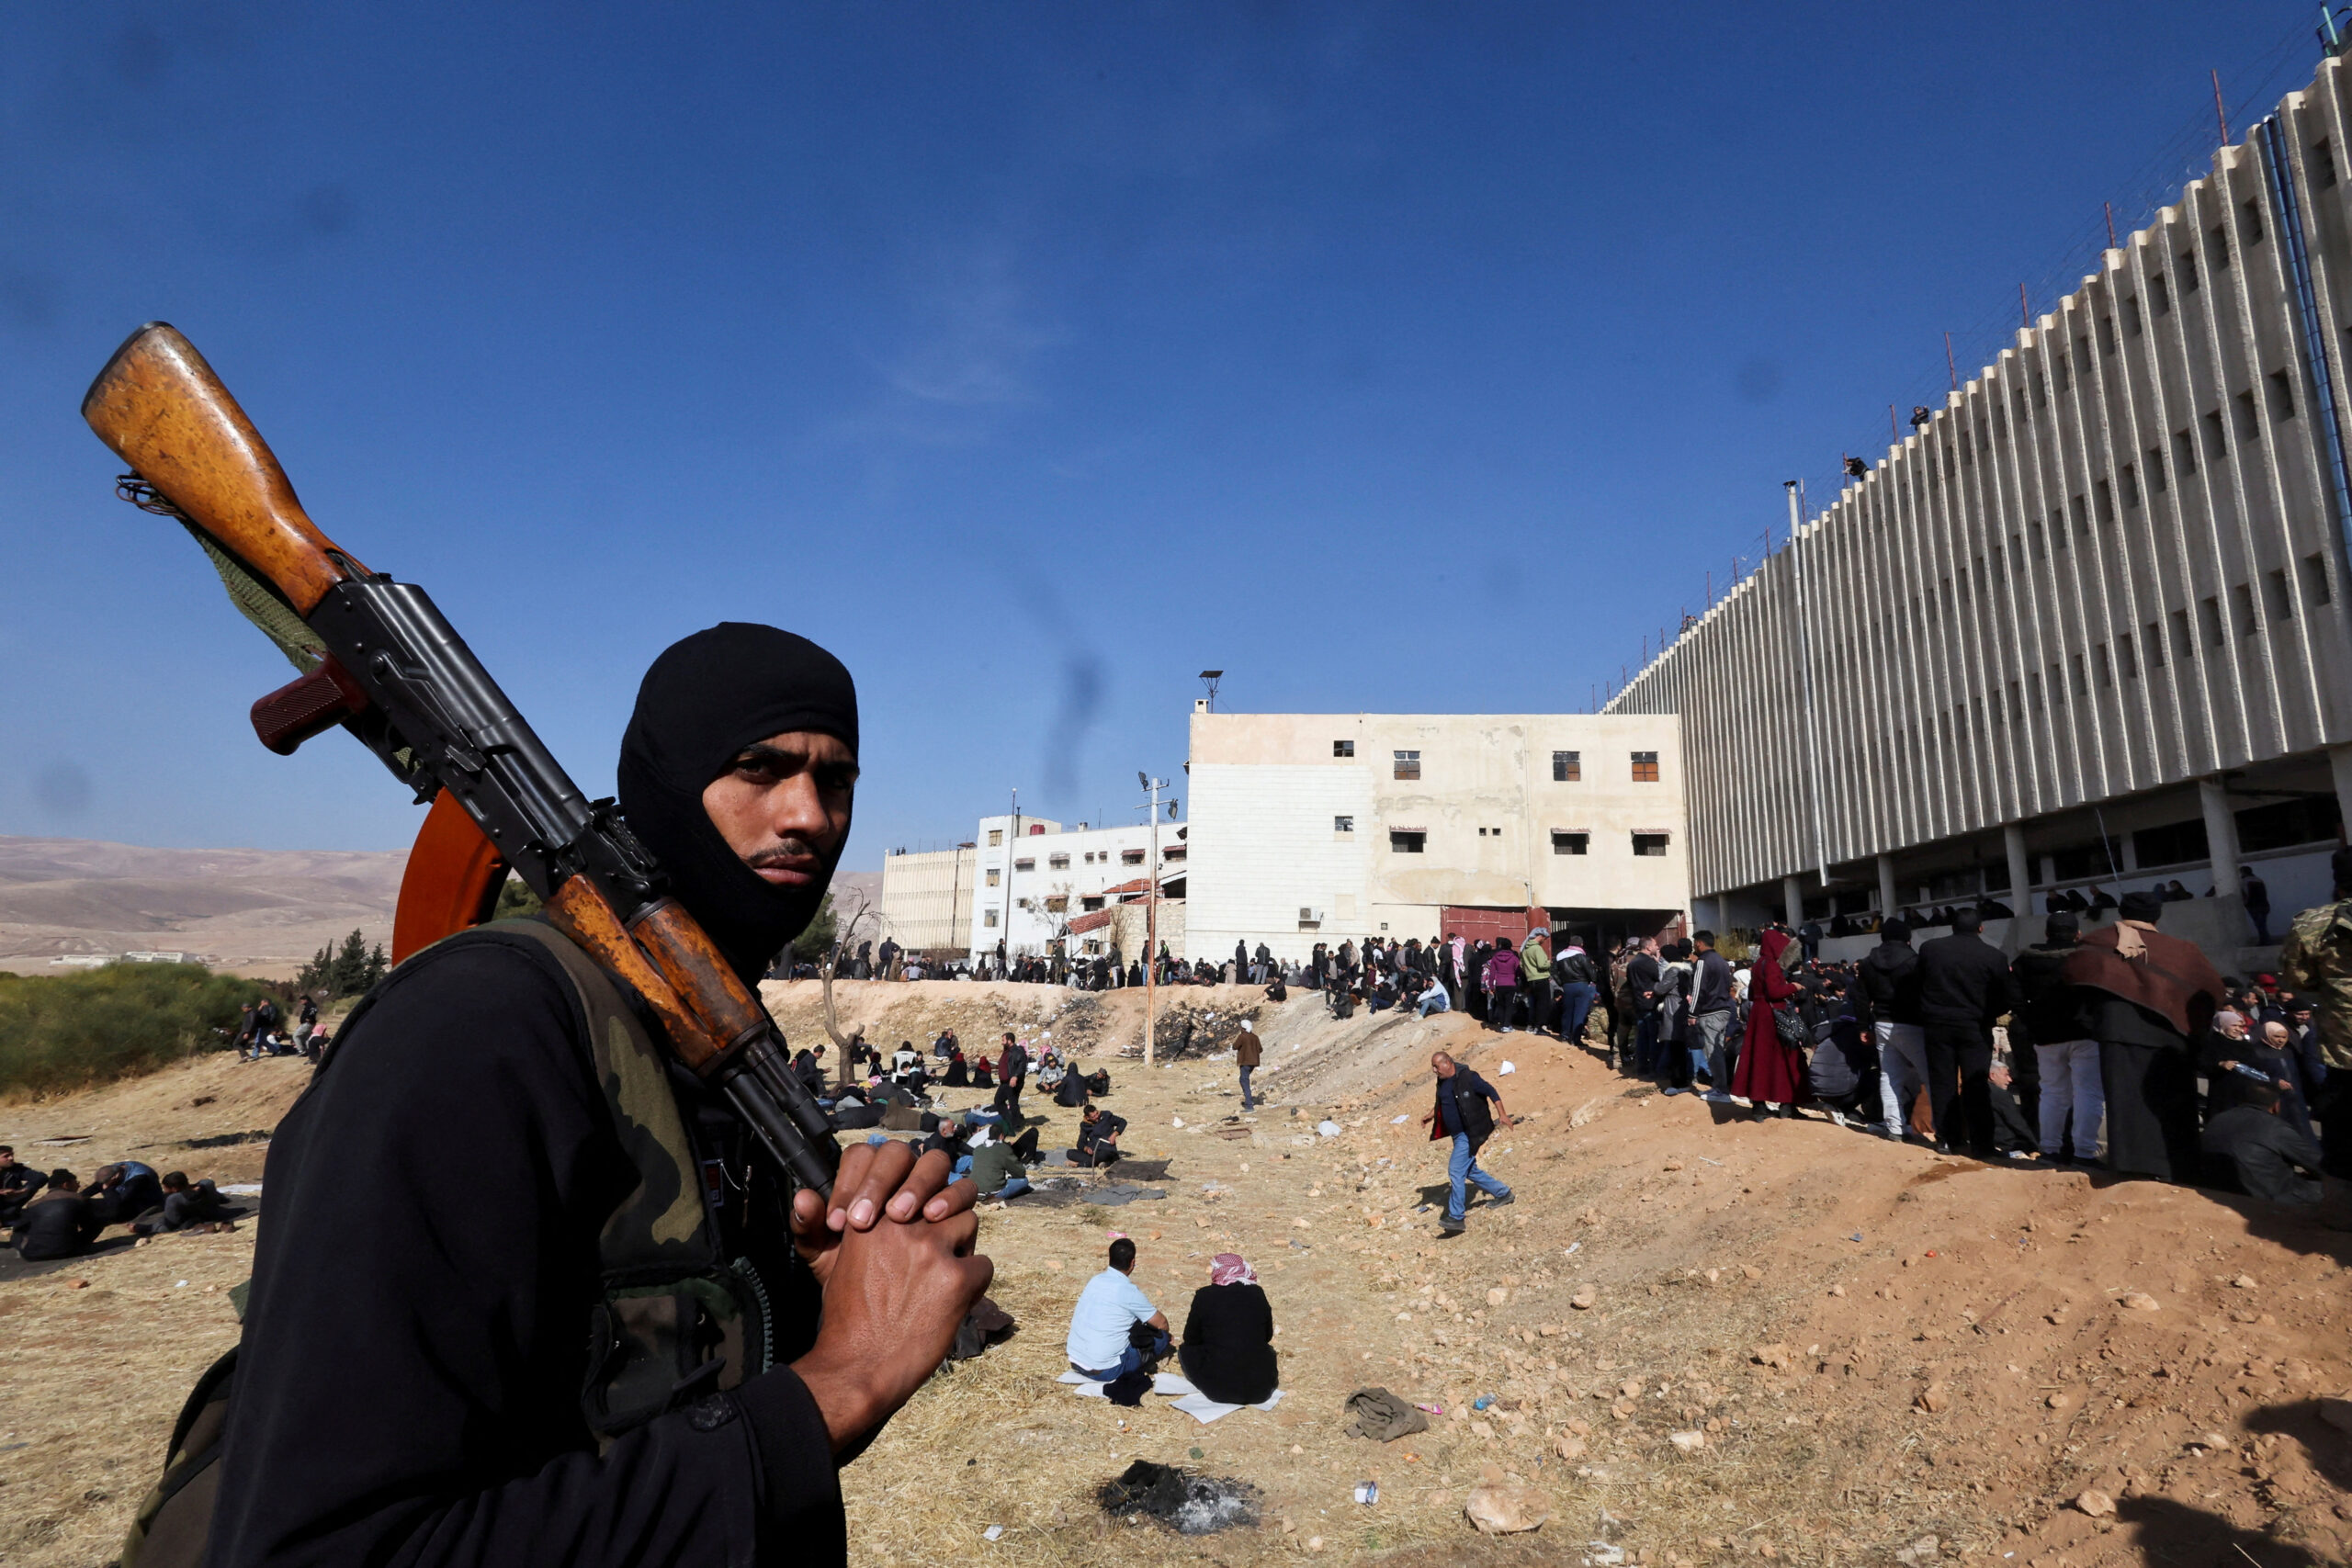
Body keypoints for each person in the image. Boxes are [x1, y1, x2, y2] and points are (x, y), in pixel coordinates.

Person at [198, 623, 989, 1567]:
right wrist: (842, 1381)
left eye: (834, 781)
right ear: (666, 777)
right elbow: (323, 1547)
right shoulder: (477, 1029)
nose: (808, 815)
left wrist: (819, 1290)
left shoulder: (713, 1036)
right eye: (757, 768)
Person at [2063, 889, 2222, 1184]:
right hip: (2171, 1035)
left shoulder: (2098, 941)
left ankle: (2131, 1165)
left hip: (2117, 1032)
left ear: (2121, 912)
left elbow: (2075, 982)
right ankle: (2177, 1165)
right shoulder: (2182, 950)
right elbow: (2210, 990)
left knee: (2125, 1101)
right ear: (2157, 916)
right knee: (2173, 1101)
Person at [1914, 907, 2018, 1156]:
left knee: (1942, 1083)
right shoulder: (1993, 956)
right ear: (1980, 928)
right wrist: (1987, 1013)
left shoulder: (1931, 949)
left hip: (1937, 1024)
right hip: (1975, 1025)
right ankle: (1982, 1143)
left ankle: (1947, 1139)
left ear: (1952, 926)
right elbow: (2006, 997)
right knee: (1975, 1084)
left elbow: (1918, 984)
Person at [2012, 911, 2101, 1164]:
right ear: (2078, 934)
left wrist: (2033, 1021)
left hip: (2046, 1036)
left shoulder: (2026, 960)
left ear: (2046, 933)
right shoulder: (2088, 959)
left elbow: (2015, 998)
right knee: (2088, 1093)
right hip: (2085, 1034)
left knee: (2051, 1093)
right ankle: (2084, 1152)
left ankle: (2050, 1149)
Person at [1420, 1051, 1512, 1235]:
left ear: (1448, 1063)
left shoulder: (1469, 1078)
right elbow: (1442, 1100)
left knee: (1455, 1170)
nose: (1434, 1070)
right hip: (1457, 1135)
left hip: (1469, 1133)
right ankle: (1503, 1193)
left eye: (1436, 1066)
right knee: (1470, 1170)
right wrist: (1431, 1115)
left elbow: (1491, 1091)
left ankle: (1456, 1217)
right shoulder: (1443, 1081)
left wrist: (1502, 1114)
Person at [2200, 1079, 2327, 1205]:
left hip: (2216, 1188)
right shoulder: (2277, 1128)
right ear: (2276, 1106)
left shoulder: (2218, 1119)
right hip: (2266, 1196)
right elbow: (2318, 1165)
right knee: (2328, 1187)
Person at [1177, 1253, 1278, 1406]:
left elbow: (1191, 1338)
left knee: (1186, 1350)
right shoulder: (1257, 1293)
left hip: (1217, 1390)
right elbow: (1267, 1336)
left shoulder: (1204, 1296)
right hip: (1260, 1390)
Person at [1859, 918, 1928, 1140]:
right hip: (1912, 1023)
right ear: (1907, 937)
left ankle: (1895, 1128)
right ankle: (1940, 1129)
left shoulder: (1868, 962)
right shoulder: (1914, 961)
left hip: (1881, 1023)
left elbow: (1860, 998)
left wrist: (1863, 1026)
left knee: (1889, 1076)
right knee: (1929, 1076)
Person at [1067, 1236, 1170, 1382]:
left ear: (1110, 1258)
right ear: (1132, 1263)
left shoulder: (1095, 1280)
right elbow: (1162, 1324)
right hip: (1105, 1370)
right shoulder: (1128, 1291)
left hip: (1076, 1360)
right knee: (1161, 1338)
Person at [1732, 929, 1804, 1120]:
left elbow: (1755, 990)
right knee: (1784, 1059)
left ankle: (1759, 1105)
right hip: (1774, 1015)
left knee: (1760, 1060)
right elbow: (1774, 992)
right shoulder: (1771, 965)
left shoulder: (1758, 965)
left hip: (1759, 1015)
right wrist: (1793, 987)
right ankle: (1787, 1104)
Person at [1688, 931, 1737, 1099]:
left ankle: (1720, 1089)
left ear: (1700, 943)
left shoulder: (1703, 961)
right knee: (1718, 1049)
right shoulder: (1721, 961)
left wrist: (1692, 1012)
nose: (1694, 946)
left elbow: (1698, 989)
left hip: (1710, 1012)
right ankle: (1720, 1086)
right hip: (1724, 1009)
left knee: (1712, 1051)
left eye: (1695, 942)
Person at [12, 1170, 99, 1260]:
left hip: (32, 1255)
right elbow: (89, 1223)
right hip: (67, 1251)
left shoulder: (33, 1204)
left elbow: (19, 1228)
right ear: (66, 1185)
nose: (78, 1186)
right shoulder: (77, 1199)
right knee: (99, 1219)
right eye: (76, 1183)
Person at [136, 1170, 235, 1235]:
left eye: (166, 1188)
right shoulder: (207, 1185)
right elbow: (220, 1198)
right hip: (216, 1213)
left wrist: (145, 1228)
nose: (164, 1191)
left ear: (174, 1189)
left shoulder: (173, 1199)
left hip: (196, 1219)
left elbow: (170, 1224)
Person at [85, 1161, 164, 1228]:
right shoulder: (116, 1169)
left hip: (142, 1203)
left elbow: (120, 1203)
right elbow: (98, 1185)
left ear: (116, 1177)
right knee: (87, 1204)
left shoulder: (139, 1178)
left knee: (111, 1214)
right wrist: (80, 1197)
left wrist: (108, 1189)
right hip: (123, 1197)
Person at [1555, 938, 1599, 1046]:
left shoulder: (1559, 956)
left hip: (1567, 986)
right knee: (1580, 1013)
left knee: (1567, 1011)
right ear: (1581, 944)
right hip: (1582, 985)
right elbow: (1592, 974)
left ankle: (1565, 1036)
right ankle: (1576, 1039)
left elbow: (1553, 972)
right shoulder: (1582, 957)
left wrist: (1561, 983)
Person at [1518, 928, 1555, 1038]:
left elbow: (1522, 966)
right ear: (1539, 936)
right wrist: (1549, 962)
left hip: (1531, 980)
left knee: (1533, 1004)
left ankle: (1532, 1025)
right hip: (1541, 979)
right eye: (1544, 937)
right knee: (1543, 1004)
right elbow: (1542, 965)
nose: (1544, 940)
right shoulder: (1537, 949)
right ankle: (1539, 1027)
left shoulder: (1525, 949)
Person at [0, 1145, 47, 1225]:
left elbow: (41, 1177)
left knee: (33, 1185)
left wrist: (21, 1192)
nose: (11, 1158)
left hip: (10, 1205)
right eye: (6, 1156)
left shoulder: (15, 1169)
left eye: (12, 1155)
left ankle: (9, 1217)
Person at [1073, 1104, 1126, 1168]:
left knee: (1102, 1155)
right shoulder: (1085, 1125)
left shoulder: (1106, 1117)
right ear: (1088, 1118)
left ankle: (1081, 1164)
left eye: (1097, 1114)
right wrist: (1086, 1149)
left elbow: (1123, 1122)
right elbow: (1080, 1142)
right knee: (1070, 1153)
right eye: (1093, 1116)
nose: (1097, 1117)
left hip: (1107, 1149)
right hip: (1094, 1151)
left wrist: (1114, 1134)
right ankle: (1106, 1162)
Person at [991, 1031, 1028, 1122]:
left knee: (1013, 1103)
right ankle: (1010, 1118)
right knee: (998, 1101)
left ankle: (1016, 1124)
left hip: (1012, 1081)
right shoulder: (1007, 1051)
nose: (1002, 1042)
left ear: (1009, 1041)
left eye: (1003, 1040)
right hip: (1004, 1082)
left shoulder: (1017, 1051)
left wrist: (1015, 1076)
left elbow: (1022, 1065)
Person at [1233, 1024, 1262, 1111]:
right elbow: (1260, 1049)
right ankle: (1248, 1101)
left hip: (1245, 1062)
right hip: (1253, 1063)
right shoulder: (1255, 1037)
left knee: (1244, 1080)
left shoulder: (1242, 1036)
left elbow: (1235, 1046)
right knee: (1244, 1079)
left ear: (1243, 1028)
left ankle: (1249, 1106)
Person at [2242, 864, 2273, 945]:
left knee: (2260, 925)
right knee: (2262, 924)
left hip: (2254, 906)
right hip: (2264, 905)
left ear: (2243, 872)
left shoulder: (2245, 881)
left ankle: (2265, 941)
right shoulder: (2259, 880)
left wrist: (2245, 903)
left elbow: (2246, 894)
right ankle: (2266, 940)